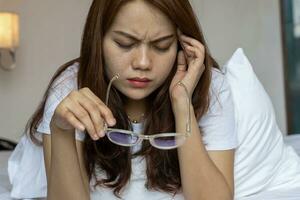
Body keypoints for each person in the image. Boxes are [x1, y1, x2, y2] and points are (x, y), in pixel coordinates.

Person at [10, 0, 238, 199]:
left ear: (181, 45)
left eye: (162, 46)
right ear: (97, 40)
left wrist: (182, 101)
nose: (142, 62)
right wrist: (61, 131)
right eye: (125, 44)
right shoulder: (70, 89)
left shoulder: (211, 87)